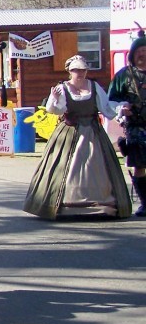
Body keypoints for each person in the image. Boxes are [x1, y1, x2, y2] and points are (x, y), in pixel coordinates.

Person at [24, 56, 131, 219]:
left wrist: (121, 112)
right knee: (65, 167)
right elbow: (54, 111)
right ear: (69, 71)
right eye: (76, 70)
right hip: (69, 132)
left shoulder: (94, 87)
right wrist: (55, 99)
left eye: (82, 70)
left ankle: (103, 204)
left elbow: (107, 109)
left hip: (93, 133)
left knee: (95, 166)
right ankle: (64, 205)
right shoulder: (62, 88)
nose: (79, 73)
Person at [109, 34, 146, 215]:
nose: (142, 55)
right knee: (139, 165)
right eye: (139, 51)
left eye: (145, 51)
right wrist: (123, 108)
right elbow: (112, 100)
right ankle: (145, 203)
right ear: (132, 54)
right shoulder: (124, 75)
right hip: (135, 127)